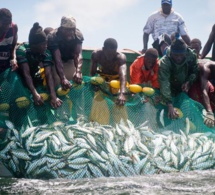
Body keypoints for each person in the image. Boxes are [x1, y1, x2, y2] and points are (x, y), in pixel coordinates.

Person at [16, 22, 62, 108]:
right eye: (43, 44)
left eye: (46, 43)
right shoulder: (22, 50)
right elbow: (26, 74)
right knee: (20, 103)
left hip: (34, 76)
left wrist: (53, 96)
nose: (46, 46)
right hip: (18, 79)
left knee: (43, 97)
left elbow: (48, 74)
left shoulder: (46, 52)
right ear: (34, 45)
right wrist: (34, 93)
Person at [158, 38, 198, 119]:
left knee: (185, 116)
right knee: (165, 116)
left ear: (185, 52)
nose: (179, 58)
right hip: (169, 90)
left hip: (184, 89)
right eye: (176, 55)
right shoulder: (165, 62)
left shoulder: (191, 56)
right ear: (171, 52)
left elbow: (195, 71)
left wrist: (189, 82)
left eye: (181, 55)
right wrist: (169, 104)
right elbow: (164, 82)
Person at [47, 16, 84, 90]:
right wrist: (63, 78)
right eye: (67, 30)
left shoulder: (78, 34)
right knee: (58, 81)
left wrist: (78, 71)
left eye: (72, 30)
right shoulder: (53, 36)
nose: (70, 32)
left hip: (70, 60)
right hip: (55, 61)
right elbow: (58, 59)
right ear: (61, 28)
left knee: (77, 81)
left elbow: (78, 54)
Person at [90, 38, 127, 106]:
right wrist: (94, 85)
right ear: (103, 49)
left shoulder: (121, 57)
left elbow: (123, 76)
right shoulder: (96, 54)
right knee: (98, 101)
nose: (111, 57)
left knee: (119, 101)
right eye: (109, 54)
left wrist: (122, 94)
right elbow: (92, 73)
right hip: (102, 78)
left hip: (116, 80)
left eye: (113, 54)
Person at [0, 8, 18, 73]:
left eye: (9, 23)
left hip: (6, 65)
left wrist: (13, 58)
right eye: (5, 23)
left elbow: (13, 47)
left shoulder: (13, 28)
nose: (8, 26)